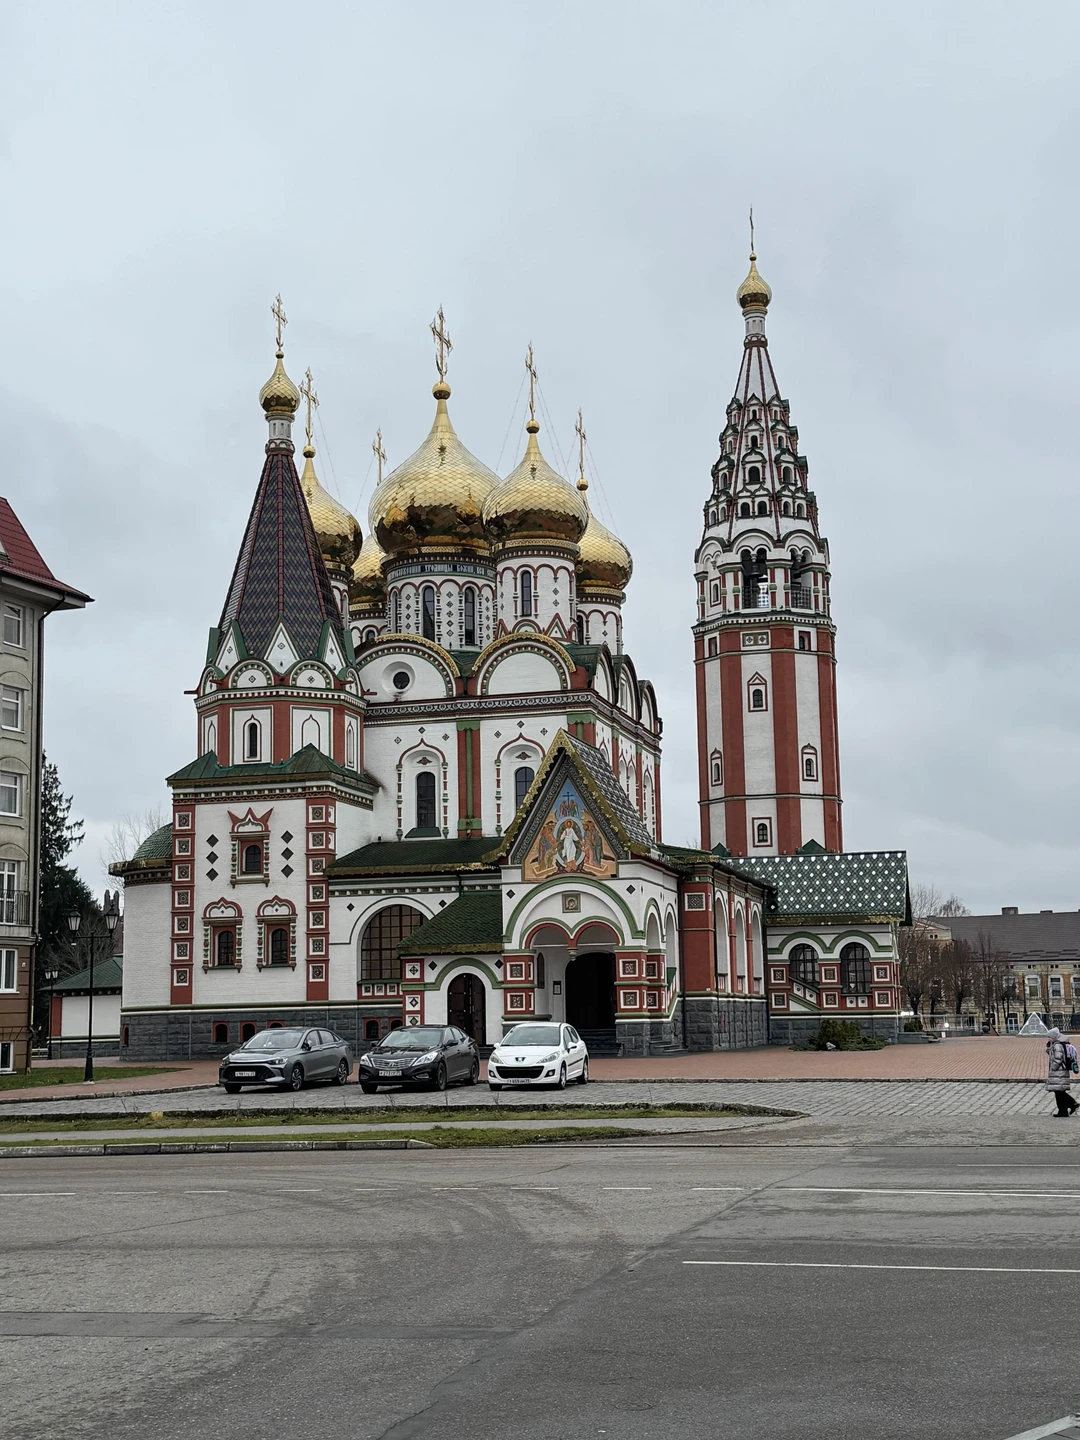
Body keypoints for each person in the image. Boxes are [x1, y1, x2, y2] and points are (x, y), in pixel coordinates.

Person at [1045, 1028, 1079, 1117]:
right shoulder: (1058, 1043)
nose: (1048, 1038)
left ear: (1054, 1037)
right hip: (1061, 1071)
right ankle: (1063, 1111)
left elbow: (1058, 1058)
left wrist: (1053, 1067)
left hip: (1059, 1071)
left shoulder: (1057, 1045)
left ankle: (1072, 1104)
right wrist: (1049, 1047)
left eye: (1049, 1037)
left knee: (1059, 1092)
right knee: (1059, 1092)